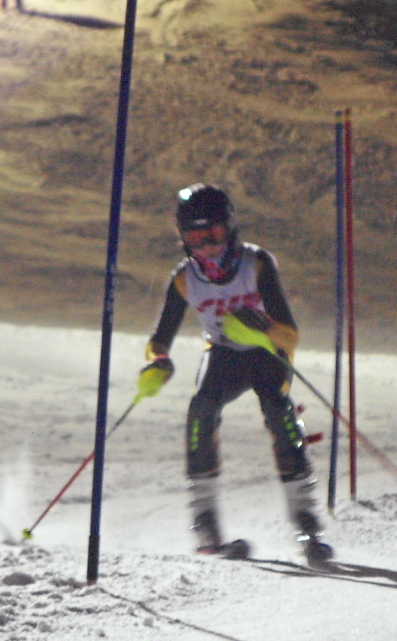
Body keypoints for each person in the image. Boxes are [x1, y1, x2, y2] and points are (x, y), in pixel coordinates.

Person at [137, 184, 332, 565]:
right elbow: (159, 339)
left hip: (266, 354)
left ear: (230, 228)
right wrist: (157, 361)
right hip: (223, 355)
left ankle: (306, 523)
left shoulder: (255, 264)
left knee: (278, 410)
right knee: (201, 411)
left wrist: (262, 331)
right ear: (183, 239)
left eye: (214, 234)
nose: (208, 247)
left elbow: (290, 335)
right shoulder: (184, 279)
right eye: (196, 238)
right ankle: (206, 527)